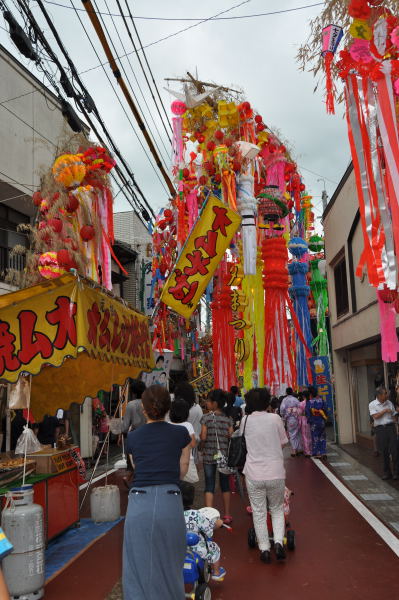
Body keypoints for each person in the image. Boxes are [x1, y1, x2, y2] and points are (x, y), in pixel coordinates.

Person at [123, 385, 191, 600]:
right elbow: (182, 470)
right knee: (171, 562)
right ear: (168, 408)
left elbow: (136, 468)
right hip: (169, 499)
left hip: (138, 502)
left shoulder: (133, 438)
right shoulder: (181, 434)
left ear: (143, 409)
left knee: (136, 566)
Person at [240, 388, 288, 563]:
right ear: (267, 402)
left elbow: (242, 441)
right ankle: (278, 542)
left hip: (253, 473)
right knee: (276, 509)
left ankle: (264, 549)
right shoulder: (275, 418)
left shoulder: (245, 421)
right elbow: (283, 442)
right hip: (275, 472)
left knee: (259, 512)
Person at [180, 481, 227, 581]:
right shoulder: (196, 514)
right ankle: (217, 573)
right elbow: (208, 529)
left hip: (177, 548)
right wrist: (217, 524)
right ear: (192, 499)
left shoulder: (172, 514)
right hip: (197, 549)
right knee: (214, 548)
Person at [200, 389, 233, 525]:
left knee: (209, 485)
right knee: (225, 485)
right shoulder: (228, 419)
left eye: (208, 401)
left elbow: (203, 437)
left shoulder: (206, 418)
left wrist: (202, 446)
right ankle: (227, 515)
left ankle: (209, 515)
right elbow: (231, 436)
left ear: (214, 403)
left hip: (208, 456)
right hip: (223, 457)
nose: (206, 403)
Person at [369, 386, 398, 480]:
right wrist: (385, 410)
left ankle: (396, 473)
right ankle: (387, 473)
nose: (387, 395)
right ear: (379, 395)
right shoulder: (372, 404)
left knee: (395, 451)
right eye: (385, 393)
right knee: (384, 451)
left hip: (391, 428)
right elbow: (375, 416)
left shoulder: (389, 403)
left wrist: (396, 426)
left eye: (386, 393)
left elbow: (394, 416)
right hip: (380, 429)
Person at [306, 385, 328, 459]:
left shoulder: (310, 402)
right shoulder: (321, 400)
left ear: (310, 394)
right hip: (321, 421)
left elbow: (308, 413)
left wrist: (309, 420)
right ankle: (323, 452)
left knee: (315, 437)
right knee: (322, 436)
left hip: (314, 421)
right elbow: (325, 409)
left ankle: (317, 453)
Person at [280, 388, 302, 456]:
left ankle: (294, 450)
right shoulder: (295, 399)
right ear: (292, 392)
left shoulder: (284, 400)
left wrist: (283, 416)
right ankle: (298, 448)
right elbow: (300, 407)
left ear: (286, 392)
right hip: (297, 418)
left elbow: (282, 409)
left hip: (289, 418)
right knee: (297, 433)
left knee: (292, 434)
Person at [298, 391, 312, 457]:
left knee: (304, 436)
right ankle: (312, 450)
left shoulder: (301, 404)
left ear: (303, 396)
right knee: (310, 435)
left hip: (304, 420)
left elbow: (299, 413)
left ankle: (307, 451)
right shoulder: (311, 402)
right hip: (311, 420)